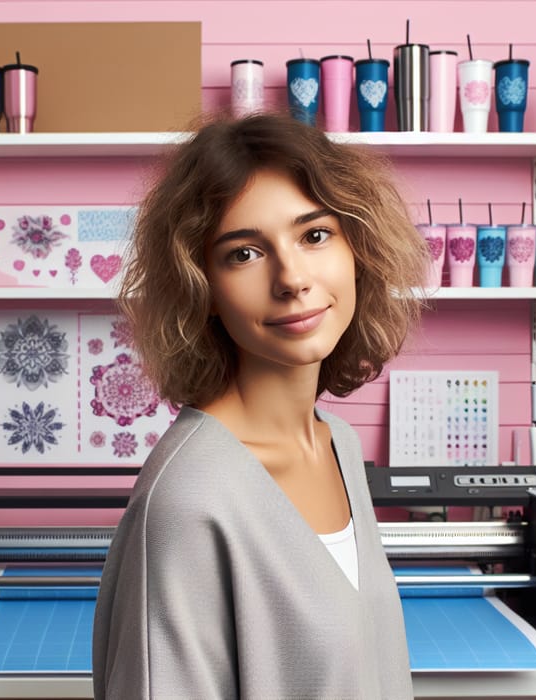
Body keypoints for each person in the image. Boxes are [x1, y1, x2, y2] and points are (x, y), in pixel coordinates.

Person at [93, 112, 428, 699]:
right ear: (205, 290)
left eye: (315, 235)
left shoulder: (338, 445)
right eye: (244, 254)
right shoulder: (189, 502)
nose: (292, 278)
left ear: (358, 248)